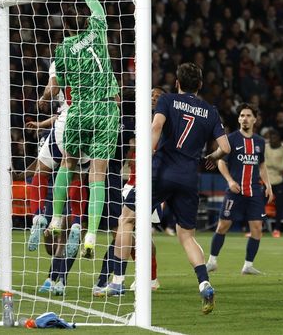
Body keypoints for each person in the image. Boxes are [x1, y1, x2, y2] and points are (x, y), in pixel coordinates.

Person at [97, 63, 230, 315]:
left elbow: (156, 127)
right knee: (187, 236)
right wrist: (211, 157)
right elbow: (225, 147)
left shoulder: (167, 100)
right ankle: (204, 283)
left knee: (126, 219)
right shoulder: (210, 111)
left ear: (177, 83)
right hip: (189, 178)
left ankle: (117, 282)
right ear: (200, 85)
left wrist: (146, 157)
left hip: (161, 172)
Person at [47, 0, 120, 260]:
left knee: (68, 162)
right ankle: (91, 235)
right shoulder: (98, 30)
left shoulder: (63, 48)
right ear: (87, 21)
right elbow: (98, 8)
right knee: (97, 175)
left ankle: (56, 219)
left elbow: (61, 82)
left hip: (79, 109)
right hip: (106, 109)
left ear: (66, 26)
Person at [94, 87, 165, 293]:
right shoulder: (135, 119)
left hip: (151, 184)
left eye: (158, 96)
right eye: (151, 95)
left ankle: (143, 278)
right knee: (126, 230)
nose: (153, 98)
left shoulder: (163, 124)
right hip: (131, 183)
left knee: (136, 233)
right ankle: (118, 279)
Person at [20, 59, 87, 257]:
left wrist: (44, 97)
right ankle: (77, 223)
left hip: (66, 123)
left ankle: (38, 217)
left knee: (41, 172)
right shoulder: (94, 60)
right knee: (78, 178)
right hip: (91, 123)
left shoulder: (61, 60)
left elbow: (52, 89)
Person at [206, 103, 274, 275]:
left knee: (257, 228)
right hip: (235, 191)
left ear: (255, 120)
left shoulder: (260, 142)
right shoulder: (231, 139)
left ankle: (248, 265)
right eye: (242, 115)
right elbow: (221, 162)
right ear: (238, 119)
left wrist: (268, 186)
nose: (245, 119)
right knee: (223, 226)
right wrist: (230, 181)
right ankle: (212, 261)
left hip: (254, 192)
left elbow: (262, 165)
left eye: (248, 116)